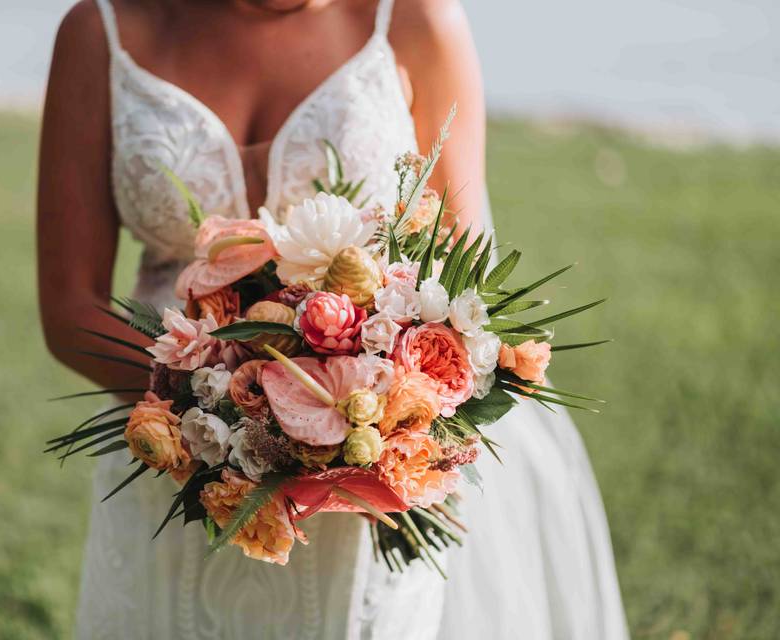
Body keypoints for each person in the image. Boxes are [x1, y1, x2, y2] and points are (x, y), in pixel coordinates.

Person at [37, 1, 629, 637]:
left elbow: (463, 288)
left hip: (365, 481)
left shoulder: (412, 18)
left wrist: (342, 435)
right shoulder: (101, 32)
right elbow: (71, 305)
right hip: (177, 463)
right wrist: (216, 420)